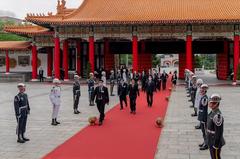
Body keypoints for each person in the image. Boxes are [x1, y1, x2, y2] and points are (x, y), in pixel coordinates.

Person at [207, 94, 225, 159]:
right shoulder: (212, 112)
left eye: (211, 103)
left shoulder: (217, 116)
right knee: (213, 156)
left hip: (214, 140)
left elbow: (219, 132)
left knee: (216, 157)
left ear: (216, 104)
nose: (209, 104)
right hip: (211, 139)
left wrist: (216, 145)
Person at [198, 84, 209, 150]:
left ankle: (206, 144)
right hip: (202, 116)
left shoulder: (204, 98)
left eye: (202, 89)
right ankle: (205, 141)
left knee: (205, 131)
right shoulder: (203, 97)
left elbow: (203, 105)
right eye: (201, 89)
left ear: (205, 90)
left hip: (204, 116)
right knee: (203, 131)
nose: (200, 90)